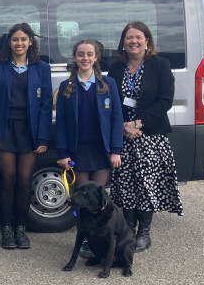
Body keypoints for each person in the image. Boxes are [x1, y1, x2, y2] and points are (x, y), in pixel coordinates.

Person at [109, 21, 184, 252]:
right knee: (126, 185)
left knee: (147, 184)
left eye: (138, 37)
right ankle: (129, 230)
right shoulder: (116, 68)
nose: (133, 41)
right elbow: (111, 100)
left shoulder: (160, 65)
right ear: (123, 43)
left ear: (147, 41)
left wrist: (138, 123)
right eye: (129, 38)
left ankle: (144, 233)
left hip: (150, 135)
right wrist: (123, 125)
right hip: (124, 136)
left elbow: (165, 100)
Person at [0, 23, 52, 249]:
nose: (19, 43)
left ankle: (21, 228)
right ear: (9, 43)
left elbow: (45, 105)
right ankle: (6, 229)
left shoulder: (41, 68)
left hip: (29, 132)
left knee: (24, 181)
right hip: (4, 130)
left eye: (23, 39)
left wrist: (43, 137)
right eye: (15, 39)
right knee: (7, 180)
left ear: (31, 42)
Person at [55, 39, 124, 258]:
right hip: (79, 151)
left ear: (96, 58)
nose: (85, 58)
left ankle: (99, 239)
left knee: (98, 199)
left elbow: (116, 118)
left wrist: (116, 150)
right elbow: (62, 124)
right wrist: (64, 153)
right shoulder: (66, 87)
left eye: (89, 54)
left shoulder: (108, 84)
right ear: (75, 57)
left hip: (101, 151)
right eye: (81, 54)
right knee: (82, 199)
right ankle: (83, 240)